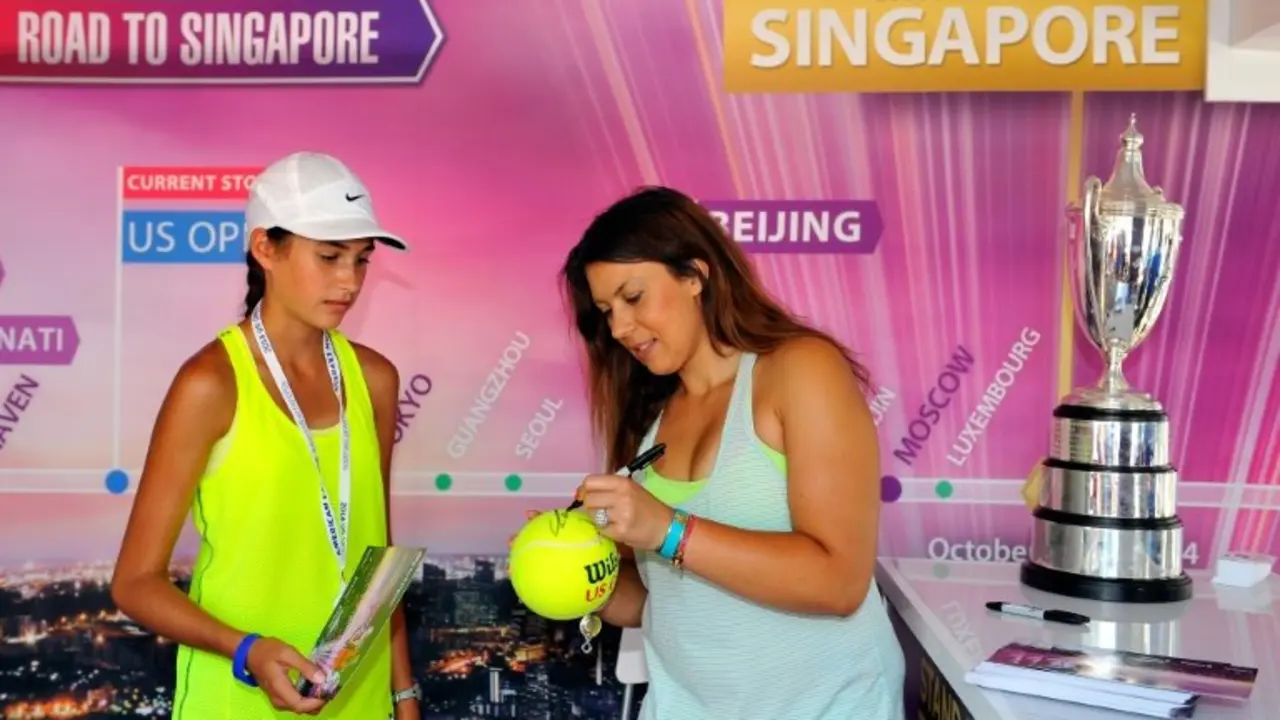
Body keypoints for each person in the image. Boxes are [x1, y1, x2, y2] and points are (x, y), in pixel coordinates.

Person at [559, 186, 906, 719]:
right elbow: (662, 604)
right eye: (606, 311)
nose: (620, 328)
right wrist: (574, 575)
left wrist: (667, 528)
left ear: (695, 275)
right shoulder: (647, 417)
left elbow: (839, 581)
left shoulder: (799, 370)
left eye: (632, 298)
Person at [111, 152, 421, 719]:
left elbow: (377, 563)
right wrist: (247, 651)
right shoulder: (210, 383)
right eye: (328, 257)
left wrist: (403, 696)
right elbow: (134, 584)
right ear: (265, 248)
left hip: (361, 699)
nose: (348, 280)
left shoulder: (375, 380)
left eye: (360, 259)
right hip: (239, 700)